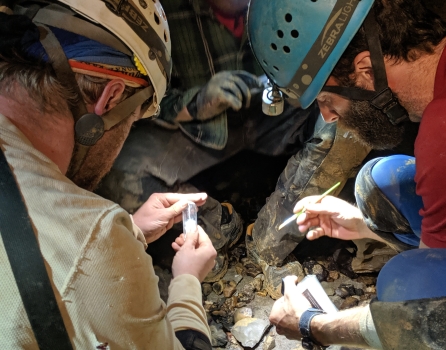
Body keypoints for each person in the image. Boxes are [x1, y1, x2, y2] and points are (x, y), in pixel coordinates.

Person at [94, 0, 389, 289]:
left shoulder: (293, 7)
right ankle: (218, 229)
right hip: (203, 129)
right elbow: (146, 102)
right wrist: (197, 102)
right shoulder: (164, 13)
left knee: (347, 125)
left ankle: (267, 243)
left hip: (275, 117)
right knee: (120, 166)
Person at [247, 0, 446, 348]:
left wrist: (313, 324)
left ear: (366, 70)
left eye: (327, 100)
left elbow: (428, 315)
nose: (328, 116)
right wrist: (363, 225)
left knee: (412, 286)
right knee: (381, 182)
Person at [0, 1, 217, 349]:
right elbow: (77, 248)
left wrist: (132, 230)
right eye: (132, 122)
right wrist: (187, 280)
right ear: (112, 96)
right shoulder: (95, 236)